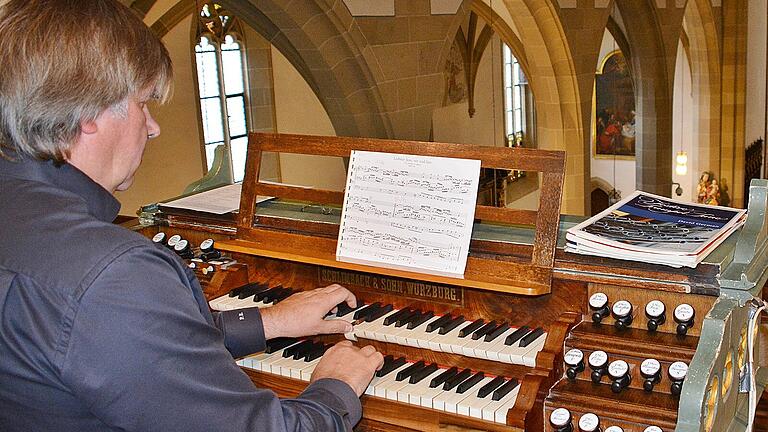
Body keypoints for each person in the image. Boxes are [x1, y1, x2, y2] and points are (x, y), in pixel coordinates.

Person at [0, 1, 383, 431]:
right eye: (143, 103)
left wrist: (270, 321)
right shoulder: (113, 275)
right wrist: (335, 386)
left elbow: (117, 343)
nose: (152, 126)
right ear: (91, 113)